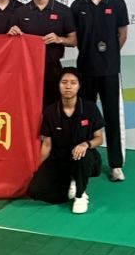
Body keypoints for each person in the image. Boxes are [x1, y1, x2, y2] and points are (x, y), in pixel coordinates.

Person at [71, 0, 130, 182]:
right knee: (84, 119)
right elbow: (76, 38)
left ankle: (116, 165)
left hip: (109, 71)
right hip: (85, 70)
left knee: (112, 117)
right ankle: (86, 161)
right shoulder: (78, 6)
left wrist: (109, 56)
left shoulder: (117, 4)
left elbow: (122, 35)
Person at [28, 67, 103, 214]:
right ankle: (70, 184)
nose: (68, 86)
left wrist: (86, 144)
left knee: (81, 156)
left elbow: (99, 138)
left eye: (73, 83)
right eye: (64, 82)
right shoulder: (50, 111)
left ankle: (80, 195)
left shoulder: (90, 108)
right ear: (58, 85)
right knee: (35, 191)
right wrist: (37, 169)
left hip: (84, 156)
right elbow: (47, 144)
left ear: (79, 86)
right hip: (60, 158)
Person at [11, 0, 76, 109]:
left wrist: (59, 39)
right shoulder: (20, 12)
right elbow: (11, 44)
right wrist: (12, 34)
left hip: (52, 68)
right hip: (26, 69)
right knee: (27, 107)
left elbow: (74, 41)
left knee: (52, 109)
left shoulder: (63, 11)